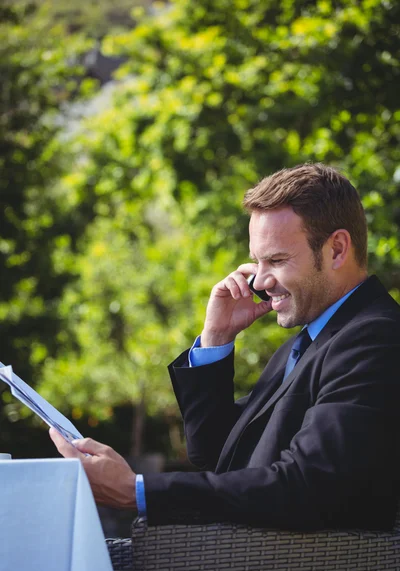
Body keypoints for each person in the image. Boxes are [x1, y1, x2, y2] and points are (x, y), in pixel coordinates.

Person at [51, 163, 400, 530]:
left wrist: (138, 489)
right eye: (256, 261)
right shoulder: (308, 342)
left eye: (277, 260)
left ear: (337, 249)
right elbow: (217, 452)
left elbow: (308, 485)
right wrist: (216, 337)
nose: (261, 281)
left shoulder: (374, 339)